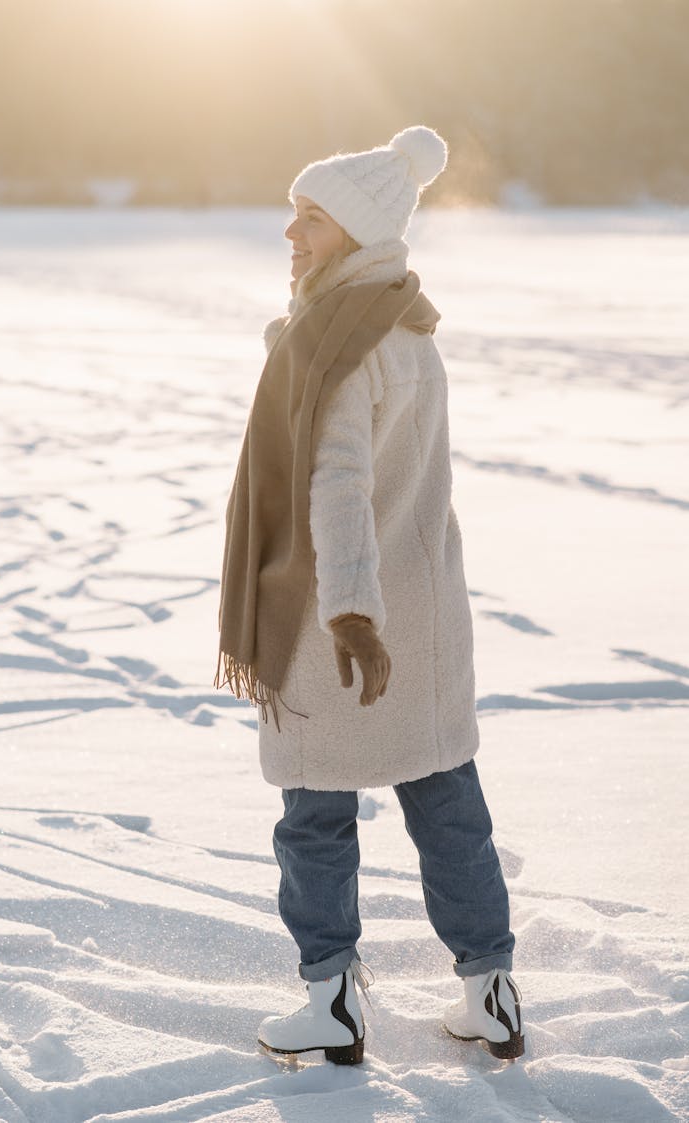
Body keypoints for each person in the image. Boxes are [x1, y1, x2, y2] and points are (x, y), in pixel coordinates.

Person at [214, 126, 524, 1065]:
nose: (291, 233)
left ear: (353, 231)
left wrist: (350, 609)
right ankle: (492, 991)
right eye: (293, 213)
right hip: (424, 613)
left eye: (310, 217)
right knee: (445, 798)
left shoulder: (340, 345)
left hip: (342, 621)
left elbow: (337, 486)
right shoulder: (404, 325)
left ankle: (333, 1000)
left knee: (314, 813)